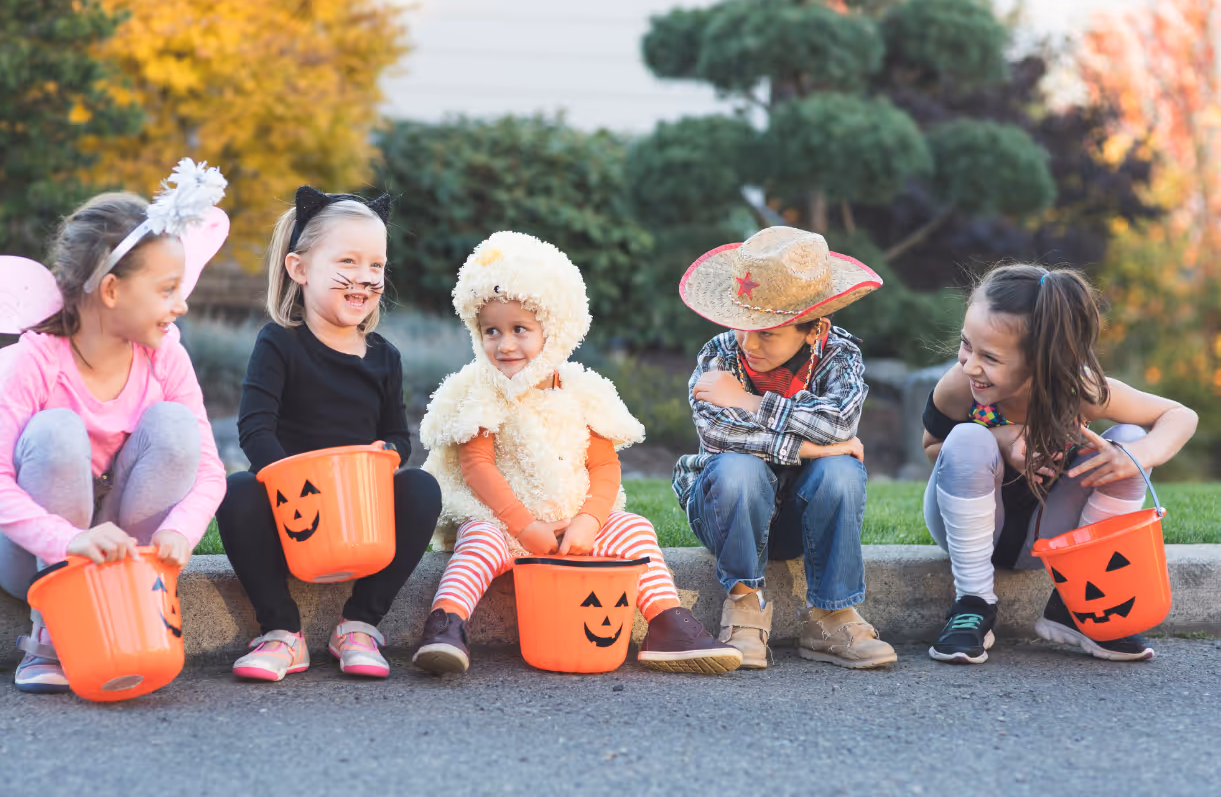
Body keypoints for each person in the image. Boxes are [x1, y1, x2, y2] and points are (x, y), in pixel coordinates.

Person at [411, 231, 740, 675]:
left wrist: (588, 521)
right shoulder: (483, 390)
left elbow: (604, 466)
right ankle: (447, 623)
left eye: (519, 330)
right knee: (478, 542)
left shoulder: (583, 391)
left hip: (574, 529)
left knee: (635, 530)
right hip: (507, 523)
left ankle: (665, 622)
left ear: (555, 330)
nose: (504, 344)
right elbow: (477, 466)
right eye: (491, 331)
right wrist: (524, 526)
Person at [0, 163, 229, 693]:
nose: (183, 303)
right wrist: (71, 540)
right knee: (58, 430)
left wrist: (180, 530)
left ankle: (130, 601)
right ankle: (50, 635)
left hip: (118, 546)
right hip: (33, 551)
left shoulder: (166, 355)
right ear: (111, 291)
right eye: (167, 288)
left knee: (176, 427)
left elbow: (210, 472)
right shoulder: (39, 359)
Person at [216, 186, 441, 682]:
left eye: (376, 266)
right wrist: (290, 484)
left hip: (358, 513)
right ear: (300, 269)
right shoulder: (280, 342)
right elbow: (255, 427)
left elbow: (396, 437)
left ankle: (359, 625)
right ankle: (282, 631)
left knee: (422, 488)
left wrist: (388, 452)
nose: (365, 277)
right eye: (348, 261)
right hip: (291, 512)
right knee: (234, 490)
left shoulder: (385, 357)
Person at [922, 264, 1196, 664]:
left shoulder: (1077, 389)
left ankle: (1078, 603)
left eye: (990, 357)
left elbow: (1179, 415)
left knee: (1131, 442)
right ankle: (973, 605)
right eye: (967, 345)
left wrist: (1135, 459)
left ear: (1041, 361)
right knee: (966, 437)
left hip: (1048, 534)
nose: (970, 365)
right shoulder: (960, 384)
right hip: (970, 527)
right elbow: (934, 448)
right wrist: (1001, 440)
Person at [674, 226, 895, 670]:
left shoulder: (839, 355)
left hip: (797, 518)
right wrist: (810, 449)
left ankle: (832, 615)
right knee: (739, 469)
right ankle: (744, 606)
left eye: (768, 333)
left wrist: (747, 401)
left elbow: (839, 422)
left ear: (814, 330)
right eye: (742, 325)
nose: (748, 343)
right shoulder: (720, 355)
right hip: (726, 510)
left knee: (842, 473)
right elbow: (720, 436)